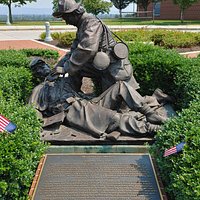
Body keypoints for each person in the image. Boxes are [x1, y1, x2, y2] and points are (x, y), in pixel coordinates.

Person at [29, 58, 171, 140]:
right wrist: (34, 127)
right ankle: (150, 128)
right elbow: (32, 110)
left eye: (43, 65)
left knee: (121, 86)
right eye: (38, 69)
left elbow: (78, 62)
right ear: (37, 75)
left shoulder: (63, 79)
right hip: (75, 111)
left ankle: (149, 113)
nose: (43, 69)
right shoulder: (40, 89)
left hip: (89, 101)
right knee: (114, 118)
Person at [51, 0, 140, 92]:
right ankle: (71, 96)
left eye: (66, 18)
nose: (67, 22)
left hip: (115, 69)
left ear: (73, 14)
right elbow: (74, 51)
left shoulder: (91, 23)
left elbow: (87, 49)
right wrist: (59, 66)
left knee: (118, 102)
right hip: (102, 66)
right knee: (76, 71)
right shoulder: (82, 25)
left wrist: (67, 68)